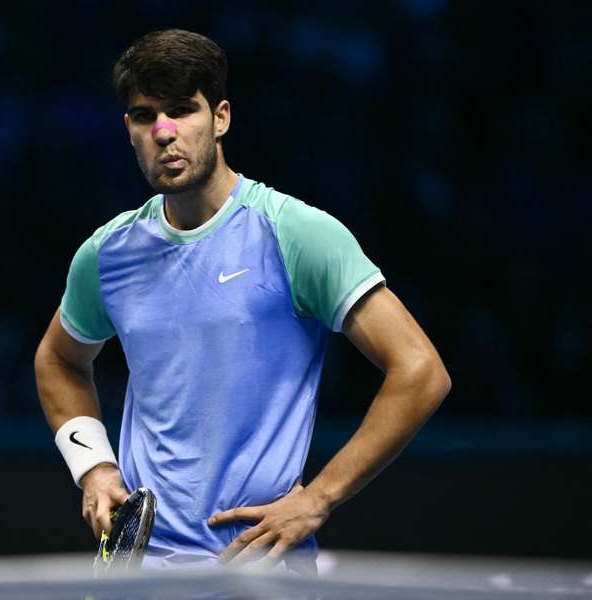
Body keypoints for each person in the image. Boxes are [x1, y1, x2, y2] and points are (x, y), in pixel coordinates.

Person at [34, 29, 451, 573]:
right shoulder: (108, 254)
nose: (164, 132)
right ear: (129, 131)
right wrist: (94, 468)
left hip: (263, 575)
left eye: (183, 110)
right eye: (145, 116)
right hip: (141, 579)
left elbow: (420, 371)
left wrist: (319, 497)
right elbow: (59, 360)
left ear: (221, 118)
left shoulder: (294, 233)